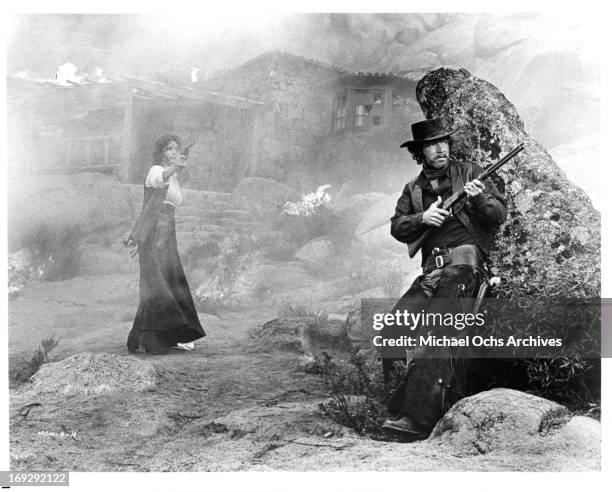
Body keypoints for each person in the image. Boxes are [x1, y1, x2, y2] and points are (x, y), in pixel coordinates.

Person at [380, 118, 507, 438]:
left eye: (443, 143)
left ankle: (418, 418)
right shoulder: (413, 189)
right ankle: (395, 404)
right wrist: (422, 217)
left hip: (464, 269)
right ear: (419, 152)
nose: (439, 149)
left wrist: (478, 198)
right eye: (431, 145)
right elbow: (397, 227)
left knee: (437, 331)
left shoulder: (470, 173)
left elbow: (498, 214)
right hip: (430, 274)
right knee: (392, 329)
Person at [126, 134, 206, 354]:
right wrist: (174, 168)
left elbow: (172, 196)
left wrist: (177, 170)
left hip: (167, 231)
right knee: (156, 283)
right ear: (161, 153)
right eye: (169, 149)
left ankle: (173, 335)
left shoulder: (175, 178)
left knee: (171, 279)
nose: (173, 152)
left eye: (176, 149)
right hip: (153, 232)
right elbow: (161, 178)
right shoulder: (155, 170)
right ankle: (155, 339)